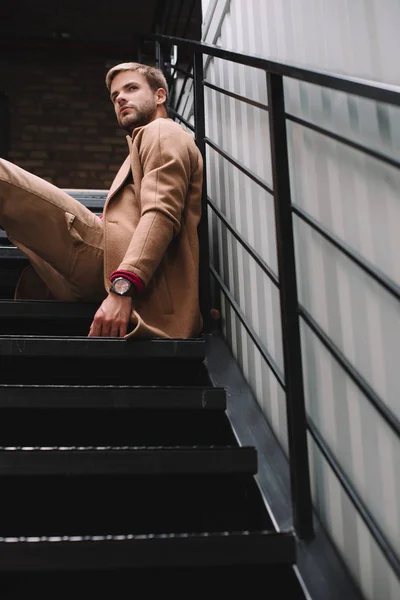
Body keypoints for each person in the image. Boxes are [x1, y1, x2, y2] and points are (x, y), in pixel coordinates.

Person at [0, 62, 204, 339]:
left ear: (159, 96)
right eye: (114, 95)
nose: (120, 98)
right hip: (100, 273)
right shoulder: (142, 144)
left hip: (117, 272)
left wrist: (124, 286)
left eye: (131, 88)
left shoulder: (161, 132)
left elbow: (161, 213)